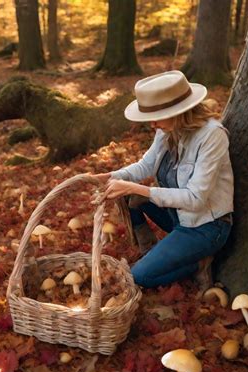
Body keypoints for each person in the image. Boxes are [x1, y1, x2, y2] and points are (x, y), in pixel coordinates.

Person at [94, 70, 234, 290]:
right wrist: (111, 177)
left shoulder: (212, 136)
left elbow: (196, 198)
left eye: (155, 118)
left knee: (137, 278)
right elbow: (146, 165)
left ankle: (198, 263)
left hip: (205, 227)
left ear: (178, 112)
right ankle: (150, 252)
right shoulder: (167, 130)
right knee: (130, 195)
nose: (152, 125)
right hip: (177, 217)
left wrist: (140, 189)